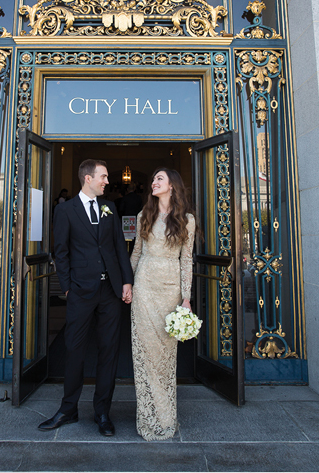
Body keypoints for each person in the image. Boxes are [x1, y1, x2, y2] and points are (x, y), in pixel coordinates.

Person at [39, 160, 133, 436]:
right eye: (103, 177)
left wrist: (127, 281)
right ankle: (68, 409)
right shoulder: (65, 210)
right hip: (80, 292)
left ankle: (102, 412)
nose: (107, 181)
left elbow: (119, 247)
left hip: (110, 293)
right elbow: (62, 251)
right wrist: (68, 287)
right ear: (88, 178)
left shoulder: (110, 208)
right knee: (74, 351)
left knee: (109, 352)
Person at [129, 168, 197, 441]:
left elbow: (187, 260)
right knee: (144, 355)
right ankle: (147, 418)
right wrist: (128, 285)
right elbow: (135, 252)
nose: (154, 182)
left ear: (172, 186)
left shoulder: (187, 220)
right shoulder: (143, 215)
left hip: (169, 291)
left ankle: (166, 417)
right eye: (153, 178)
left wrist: (186, 298)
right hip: (144, 287)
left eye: (159, 179)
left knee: (165, 359)